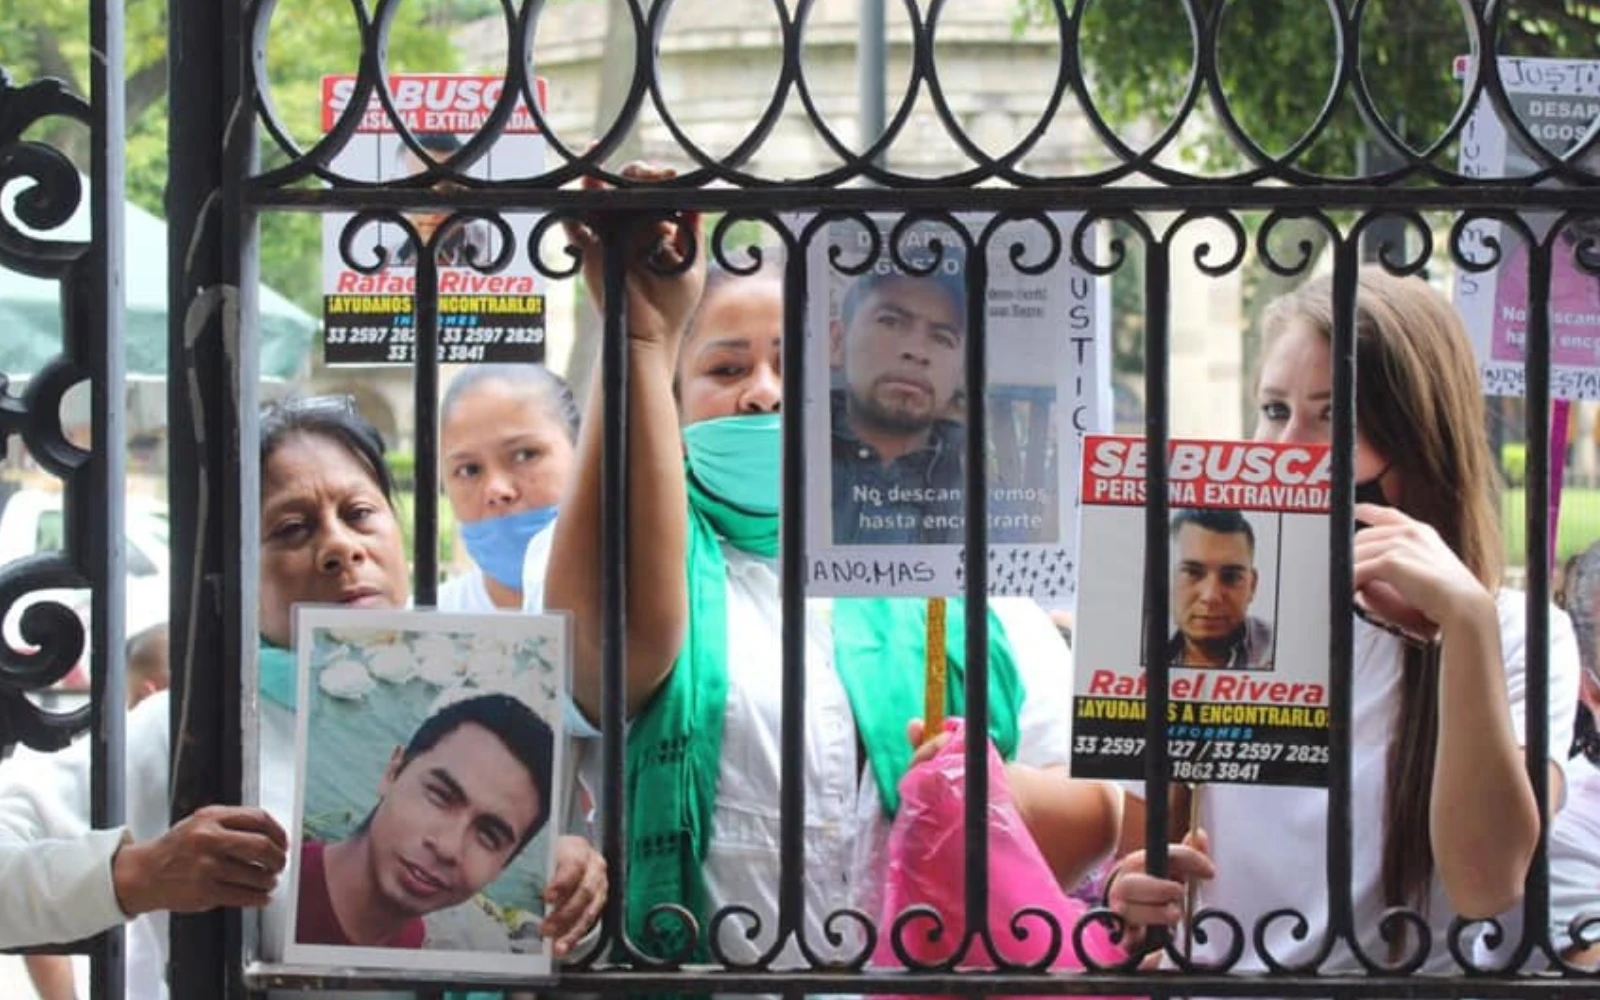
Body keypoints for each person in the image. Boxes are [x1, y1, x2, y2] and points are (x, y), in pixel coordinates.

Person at [531, 171, 1122, 974]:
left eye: (786, 364)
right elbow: (614, 656)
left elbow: (1101, 811)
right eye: (726, 368)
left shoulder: (962, 568)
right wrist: (640, 334)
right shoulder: (581, 553)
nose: (762, 393)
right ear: (671, 393)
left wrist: (976, 789)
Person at [2, 398, 607, 1000]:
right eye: (292, 529)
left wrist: (575, 892)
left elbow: (565, 952)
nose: (340, 548)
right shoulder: (185, 728)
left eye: (360, 513)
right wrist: (135, 876)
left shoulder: (506, 716)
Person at [1106, 269, 1582, 974]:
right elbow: (1140, 868)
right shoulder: (1213, 609)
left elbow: (1487, 885)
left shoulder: (1516, 630)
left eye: (1333, 417)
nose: (1288, 448)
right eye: (1273, 410)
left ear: (1420, 437)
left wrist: (1465, 625)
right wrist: (1133, 893)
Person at [296, 693, 555, 950]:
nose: (448, 847)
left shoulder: (455, 952)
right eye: (440, 796)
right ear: (393, 771)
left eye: (488, 836)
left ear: (503, 866)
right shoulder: (271, 893)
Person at [829, 253, 968, 546]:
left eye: (943, 338)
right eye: (890, 322)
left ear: (960, 374)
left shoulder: (981, 489)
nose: (917, 351)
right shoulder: (787, 455)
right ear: (837, 342)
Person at [438, 365, 579, 612]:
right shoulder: (423, 633)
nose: (497, 490)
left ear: (582, 454)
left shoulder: (650, 619)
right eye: (469, 470)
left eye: (525, 455)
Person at [1165, 508, 1273, 671]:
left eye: (1231, 577)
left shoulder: (1282, 650)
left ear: (1252, 585)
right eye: (1192, 572)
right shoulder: (1132, 648)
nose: (1210, 596)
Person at [385, 133, 495, 269]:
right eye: (417, 190)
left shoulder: (491, 247)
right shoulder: (391, 257)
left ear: (466, 189)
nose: (432, 209)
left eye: (448, 191)